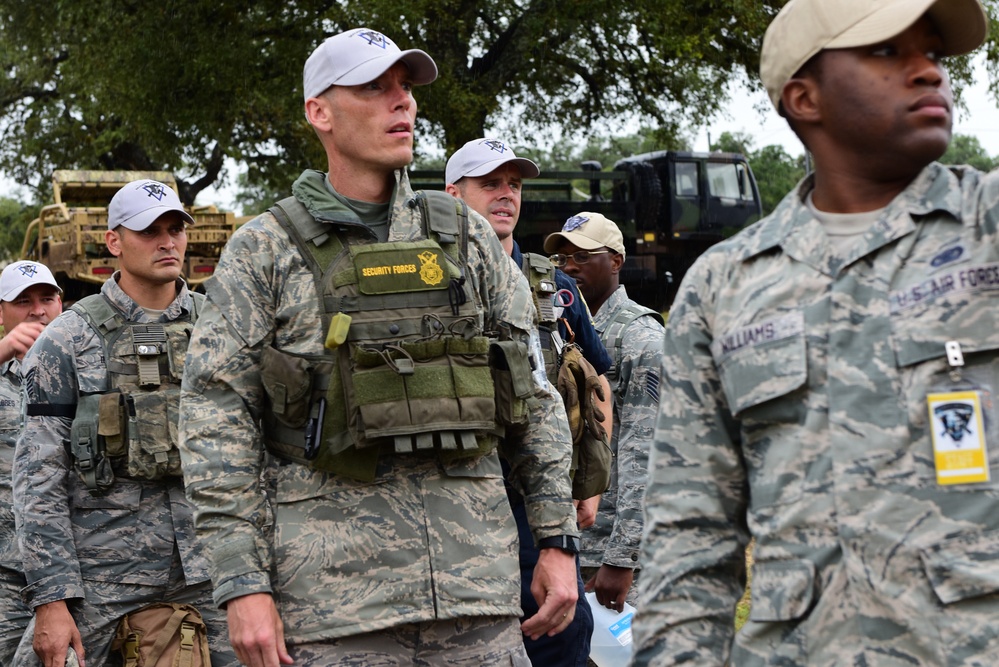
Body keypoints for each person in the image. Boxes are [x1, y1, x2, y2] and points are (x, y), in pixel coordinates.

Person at [178, 28, 580, 667]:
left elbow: (529, 391)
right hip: (333, 606)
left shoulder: (465, 237)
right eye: (375, 87)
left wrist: (557, 538)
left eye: (407, 88)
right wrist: (241, 583)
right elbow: (215, 421)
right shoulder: (266, 248)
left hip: (475, 594)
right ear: (320, 113)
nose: (403, 103)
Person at [632, 0, 999, 664]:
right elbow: (688, 537)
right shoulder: (725, 287)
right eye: (887, 51)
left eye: (934, 55)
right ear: (803, 96)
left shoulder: (985, 229)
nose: (926, 73)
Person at [12, 180, 236, 667]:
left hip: (214, 567)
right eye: (148, 231)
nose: (166, 242)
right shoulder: (68, 338)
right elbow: (37, 479)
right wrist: (52, 598)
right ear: (114, 242)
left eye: (175, 229)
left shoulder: (221, 328)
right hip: (103, 575)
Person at [445, 139, 615, 667]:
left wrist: (591, 482)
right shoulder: (432, 280)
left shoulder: (554, 285)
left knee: (560, 636)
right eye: (489, 184)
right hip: (461, 499)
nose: (505, 195)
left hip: (539, 501)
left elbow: (595, 381)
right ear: (454, 194)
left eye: (514, 185)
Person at [544, 212, 664, 615]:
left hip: (614, 550)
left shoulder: (641, 339)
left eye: (582, 255)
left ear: (615, 261)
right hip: (566, 541)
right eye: (562, 259)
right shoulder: (559, 330)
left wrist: (624, 557)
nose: (570, 266)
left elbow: (645, 454)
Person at [0, 260, 62, 665]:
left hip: (71, 566)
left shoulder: (87, 366)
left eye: (46, 298)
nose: (38, 310)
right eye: (23, 301)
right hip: (7, 568)